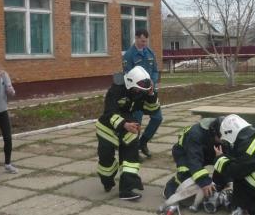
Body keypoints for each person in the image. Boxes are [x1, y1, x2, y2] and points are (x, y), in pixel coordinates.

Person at [96, 66, 160, 200]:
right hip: (107, 127)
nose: (139, 92)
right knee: (106, 159)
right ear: (130, 83)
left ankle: (127, 189)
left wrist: (151, 94)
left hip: (129, 124)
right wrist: (124, 124)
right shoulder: (115, 90)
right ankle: (107, 181)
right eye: (138, 89)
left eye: (143, 90)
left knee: (131, 155)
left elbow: (152, 109)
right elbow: (109, 113)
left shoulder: (141, 91)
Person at [163, 117, 231, 200]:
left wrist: (229, 181)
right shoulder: (195, 134)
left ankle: (216, 186)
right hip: (185, 153)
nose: (224, 141)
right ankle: (171, 187)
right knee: (186, 173)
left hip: (206, 149)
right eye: (221, 138)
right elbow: (194, 160)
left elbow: (230, 159)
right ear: (214, 132)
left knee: (223, 161)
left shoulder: (222, 133)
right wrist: (204, 181)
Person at [123, 29, 162, 158]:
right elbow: (127, 75)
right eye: (141, 40)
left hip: (150, 92)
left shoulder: (150, 53)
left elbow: (156, 71)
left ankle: (143, 143)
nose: (144, 43)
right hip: (137, 94)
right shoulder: (129, 55)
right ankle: (134, 151)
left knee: (157, 118)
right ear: (136, 38)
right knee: (137, 122)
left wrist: (153, 81)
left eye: (145, 41)